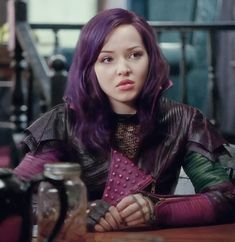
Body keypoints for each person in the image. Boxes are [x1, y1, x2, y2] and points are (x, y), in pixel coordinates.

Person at [14, 8, 235, 232]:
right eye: (107, 59)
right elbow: (13, 196)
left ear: (151, 58)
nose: (123, 69)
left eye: (135, 55)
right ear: (90, 68)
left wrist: (158, 209)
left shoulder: (184, 120)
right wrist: (77, 212)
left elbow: (228, 197)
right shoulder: (62, 122)